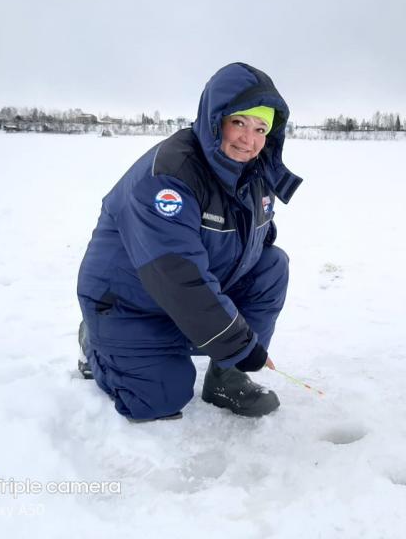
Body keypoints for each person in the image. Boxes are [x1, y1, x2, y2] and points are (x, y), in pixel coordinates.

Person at [76, 62, 302, 422]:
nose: (249, 139)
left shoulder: (254, 176)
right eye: (239, 123)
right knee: (158, 400)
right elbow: (176, 274)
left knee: (272, 266)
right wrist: (240, 343)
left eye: (261, 128)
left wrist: (236, 350)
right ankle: (96, 346)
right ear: (215, 119)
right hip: (127, 304)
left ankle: (226, 376)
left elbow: (255, 249)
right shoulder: (170, 176)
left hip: (178, 300)